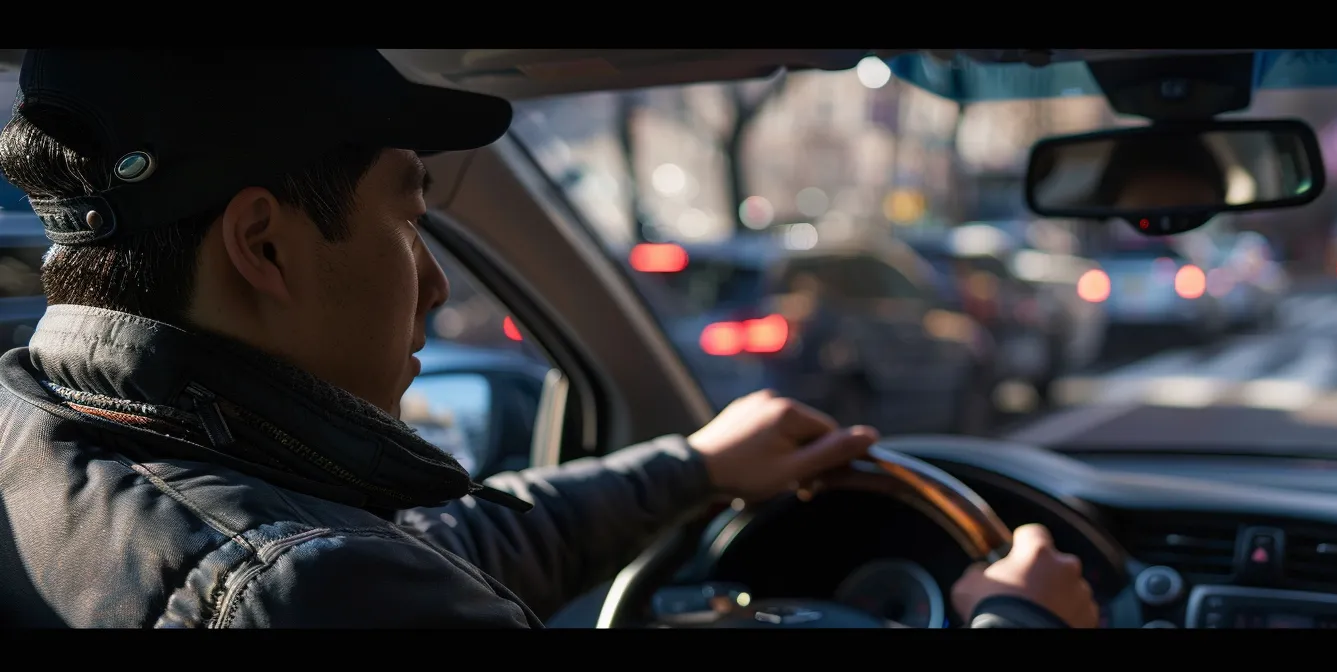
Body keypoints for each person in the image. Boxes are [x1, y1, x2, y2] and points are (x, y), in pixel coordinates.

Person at [0, 49, 1097, 629]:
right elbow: (348, 576)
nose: (433, 284)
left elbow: (429, 551)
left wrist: (693, 467)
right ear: (265, 245)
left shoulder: (38, 444)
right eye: (410, 220)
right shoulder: (307, 592)